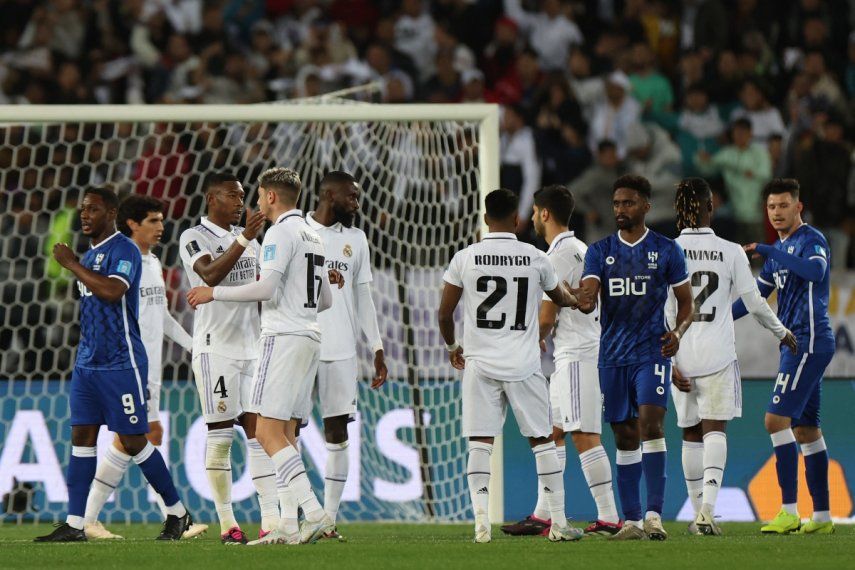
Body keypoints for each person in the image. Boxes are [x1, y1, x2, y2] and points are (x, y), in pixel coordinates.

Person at [188, 167, 343, 546]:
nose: (251, 202)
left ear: (270, 197)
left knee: (266, 432)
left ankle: (315, 513)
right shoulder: (313, 234)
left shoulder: (277, 233)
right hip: (309, 337)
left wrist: (215, 294)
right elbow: (325, 299)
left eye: (255, 195)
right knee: (286, 432)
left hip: (280, 338)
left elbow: (267, 288)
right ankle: (287, 523)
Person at [36, 187, 190, 542]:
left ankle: (177, 512)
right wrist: (78, 264)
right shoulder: (89, 255)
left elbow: (112, 291)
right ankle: (76, 524)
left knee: (135, 440)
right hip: (87, 364)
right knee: (81, 439)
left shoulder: (124, 250)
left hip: (122, 363)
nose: (84, 215)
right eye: (82, 209)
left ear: (110, 213)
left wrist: (71, 264)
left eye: (92, 209)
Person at [437, 188, 585, 543]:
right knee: (543, 441)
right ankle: (559, 523)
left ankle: (481, 524)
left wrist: (453, 346)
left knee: (480, 442)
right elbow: (561, 298)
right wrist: (576, 297)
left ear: (485, 219)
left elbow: (444, 313)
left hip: (480, 364)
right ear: (517, 219)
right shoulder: (536, 257)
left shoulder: (465, 257)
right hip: (523, 364)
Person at [667, 178, 796, 536]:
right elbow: (755, 302)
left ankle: (697, 514)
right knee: (714, 429)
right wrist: (781, 331)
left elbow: (662, 309)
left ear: (678, 209)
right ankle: (708, 512)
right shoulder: (730, 251)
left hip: (680, 354)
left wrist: (669, 361)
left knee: (690, 431)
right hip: (718, 355)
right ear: (711, 207)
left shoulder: (667, 250)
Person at [577, 175, 695, 541]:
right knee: (624, 435)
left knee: (651, 424)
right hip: (612, 355)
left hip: (651, 352)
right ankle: (630, 521)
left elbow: (688, 303)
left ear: (646, 205)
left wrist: (677, 333)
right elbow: (589, 292)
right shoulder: (599, 251)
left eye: (627, 203)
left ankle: (654, 516)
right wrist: (583, 299)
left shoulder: (667, 249)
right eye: (616, 203)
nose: (620, 209)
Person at [83, 195, 208, 540]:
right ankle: (173, 516)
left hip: (151, 367)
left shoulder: (152, 262)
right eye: (153, 220)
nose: (161, 226)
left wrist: (194, 347)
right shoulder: (120, 261)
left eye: (161, 220)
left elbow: (162, 317)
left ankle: (89, 520)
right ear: (132, 224)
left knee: (134, 438)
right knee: (144, 434)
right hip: (129, 365)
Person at [501, 185, 621, 538]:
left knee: (584, 434)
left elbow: (546, 317)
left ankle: (609, 517)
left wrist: (525, 341)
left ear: (545, 213)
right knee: (553, 433)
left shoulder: (559, 255)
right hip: (573, 353)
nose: (533, 218)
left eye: (535, 212)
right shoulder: (578, 248)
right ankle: (543, 514)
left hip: (578, 355)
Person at [178, 173, 279, 544]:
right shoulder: (194, 237)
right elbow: (209, 275)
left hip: (252, 349)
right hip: (215, 349)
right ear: (211, 198)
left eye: (242, 196)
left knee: (260, 434)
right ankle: (227, 524)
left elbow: (263, 287)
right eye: (232, 196)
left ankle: (271, 521)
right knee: (221, 437)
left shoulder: (249, 240)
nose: (240, 203)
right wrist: (245, 238)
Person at [732, 178, 836, 535]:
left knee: (775, 421)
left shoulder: (811, 240)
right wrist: (711, 320)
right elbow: (755, 299)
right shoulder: (779, 250)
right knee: (806, 429)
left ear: (798, 207)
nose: (776, 212)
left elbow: (816, 271)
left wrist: (769, 251)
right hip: (795, 345)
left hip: (808, 341)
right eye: (771, 207)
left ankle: (789, 511)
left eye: (783, 205)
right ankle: (822, 517)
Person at [305, 171, 388, 539]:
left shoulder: (356, 239)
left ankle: (328, 520)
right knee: (287, 430)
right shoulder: (296, 230)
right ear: (329, 195)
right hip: (300, 344)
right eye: (351, 196)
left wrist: (377, 347)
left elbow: (363, 296)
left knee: (337, 433)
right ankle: (284, 517)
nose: (357, 203)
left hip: (341, 350)